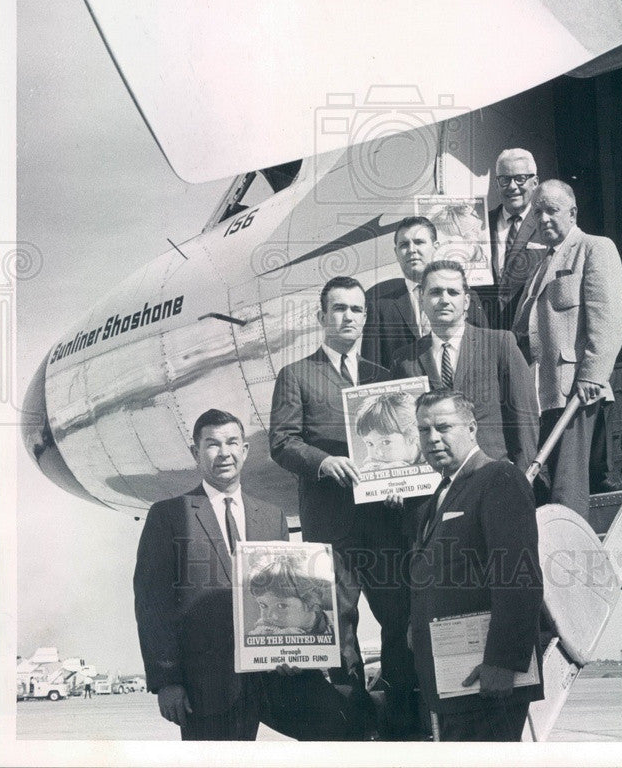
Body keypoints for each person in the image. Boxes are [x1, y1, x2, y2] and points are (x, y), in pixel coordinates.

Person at [133, 408, 346, 741]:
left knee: (343, 726)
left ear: (245, 450)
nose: (224, 453)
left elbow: (284, 586)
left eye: (232, 442)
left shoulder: (272, 517)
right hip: (209, 684)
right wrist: (167, 681)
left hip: (275, 678)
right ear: (196, 452)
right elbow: (152, 604)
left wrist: (292, 651)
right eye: (212, 444)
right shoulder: (168, 515)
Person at [269, 276, 420, 739]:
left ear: (365, 317)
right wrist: (323, 461)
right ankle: (351, 719)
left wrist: (402, 482)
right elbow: (281, 442)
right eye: (338, 309)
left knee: (399, 616)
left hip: (384, 521)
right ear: (321, 318)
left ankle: (399, 712)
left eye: (355, 309)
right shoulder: (296, 375)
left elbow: (407, 445)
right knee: (338, 623)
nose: (347, 317)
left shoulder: (384, 377)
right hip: (332, 525)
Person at [409, 391, 544, 741]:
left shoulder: (498, 478)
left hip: (488, 679)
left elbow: (518, 576)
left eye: (443, 427)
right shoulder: (437, 498)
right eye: (424, 431)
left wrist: (504, 661)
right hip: (455, 678)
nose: (433, 438)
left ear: (471, 428)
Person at [512, 180, 622, 519]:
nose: (544, 218)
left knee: (568, 489)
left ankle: (572, 554)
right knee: (548, 486)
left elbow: (608, 316)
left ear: (573, 212)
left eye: (552, 210)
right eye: (538, 212)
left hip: (574, 390)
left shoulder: (594, 248)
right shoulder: (538, 267)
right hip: (542, 395)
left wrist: (593, 375)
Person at [391, 260, 539, 471]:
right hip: (432, 483)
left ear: (467, 301)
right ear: (421, 299)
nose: (444, 300)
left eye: (453, 292)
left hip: (492, 473)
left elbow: (525, 416)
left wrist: (524, 475)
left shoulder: (500, 344)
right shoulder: (404, 360)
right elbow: (400, 426)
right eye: (435, 292)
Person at [362, 216, 487, 371]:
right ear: (396, 252)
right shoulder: (379, 302)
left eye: (419, 242)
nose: (412, 250)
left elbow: (484, 352)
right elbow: (372, 368)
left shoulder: (465, 297)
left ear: (435, 247)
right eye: (404, 244)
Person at [485, 148, 545, 330]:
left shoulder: (548, 225)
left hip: (530, 335)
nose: (512, 186)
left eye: (520, 178)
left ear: (535, 182)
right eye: (504, 179)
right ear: (496, 184)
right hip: (488, 335)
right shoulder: (480, 225)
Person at [248, 558, 335, 639]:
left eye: (282, 606)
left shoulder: (340, 626)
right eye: (263, 605)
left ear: (311, 603)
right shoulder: (262, 632)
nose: (271, 616)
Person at [355, 392, 423, 472]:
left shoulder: (433, 457)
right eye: (370, 443)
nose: (377, 453)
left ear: (412, 438)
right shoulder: (375, 462)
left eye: (385, 442)